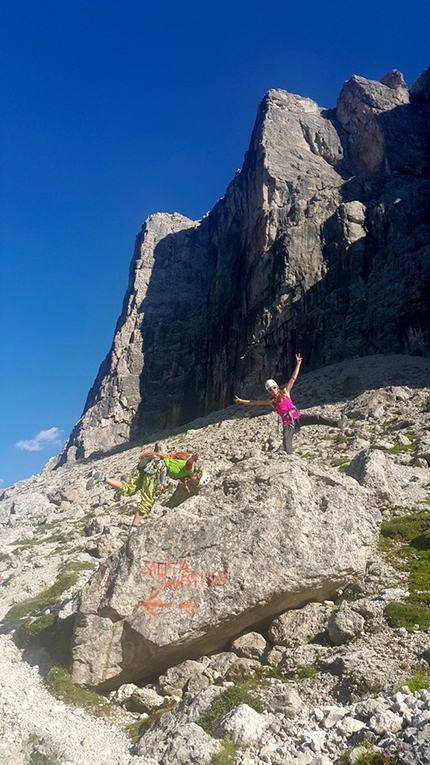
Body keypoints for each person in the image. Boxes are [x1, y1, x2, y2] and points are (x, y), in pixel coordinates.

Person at [234, 354, 347, 455]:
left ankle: (337, 424)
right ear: (269, 392)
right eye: (270, 390)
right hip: (288, 424)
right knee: (286, 440)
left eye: (273, 388)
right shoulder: (272, 402)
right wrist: (242, 401)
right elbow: (255, 403)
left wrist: (298, 364)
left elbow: (293, 378)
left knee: (317, 417)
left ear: (277, 387)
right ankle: (289, 457)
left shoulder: (285, 392)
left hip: (298, 417)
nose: (272, 390)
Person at [86, 450, 210, 535]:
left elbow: (182, 475)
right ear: (198, 477)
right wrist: (194, 458)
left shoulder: (187, 474)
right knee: (147, 502)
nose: (194, 482)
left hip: (150, 466)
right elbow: (189, 463)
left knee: (129, 489)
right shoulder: (190, 469)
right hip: (155, 471)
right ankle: (132, 530)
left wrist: (185, 486)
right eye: (196, 481)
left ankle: (103, 478)